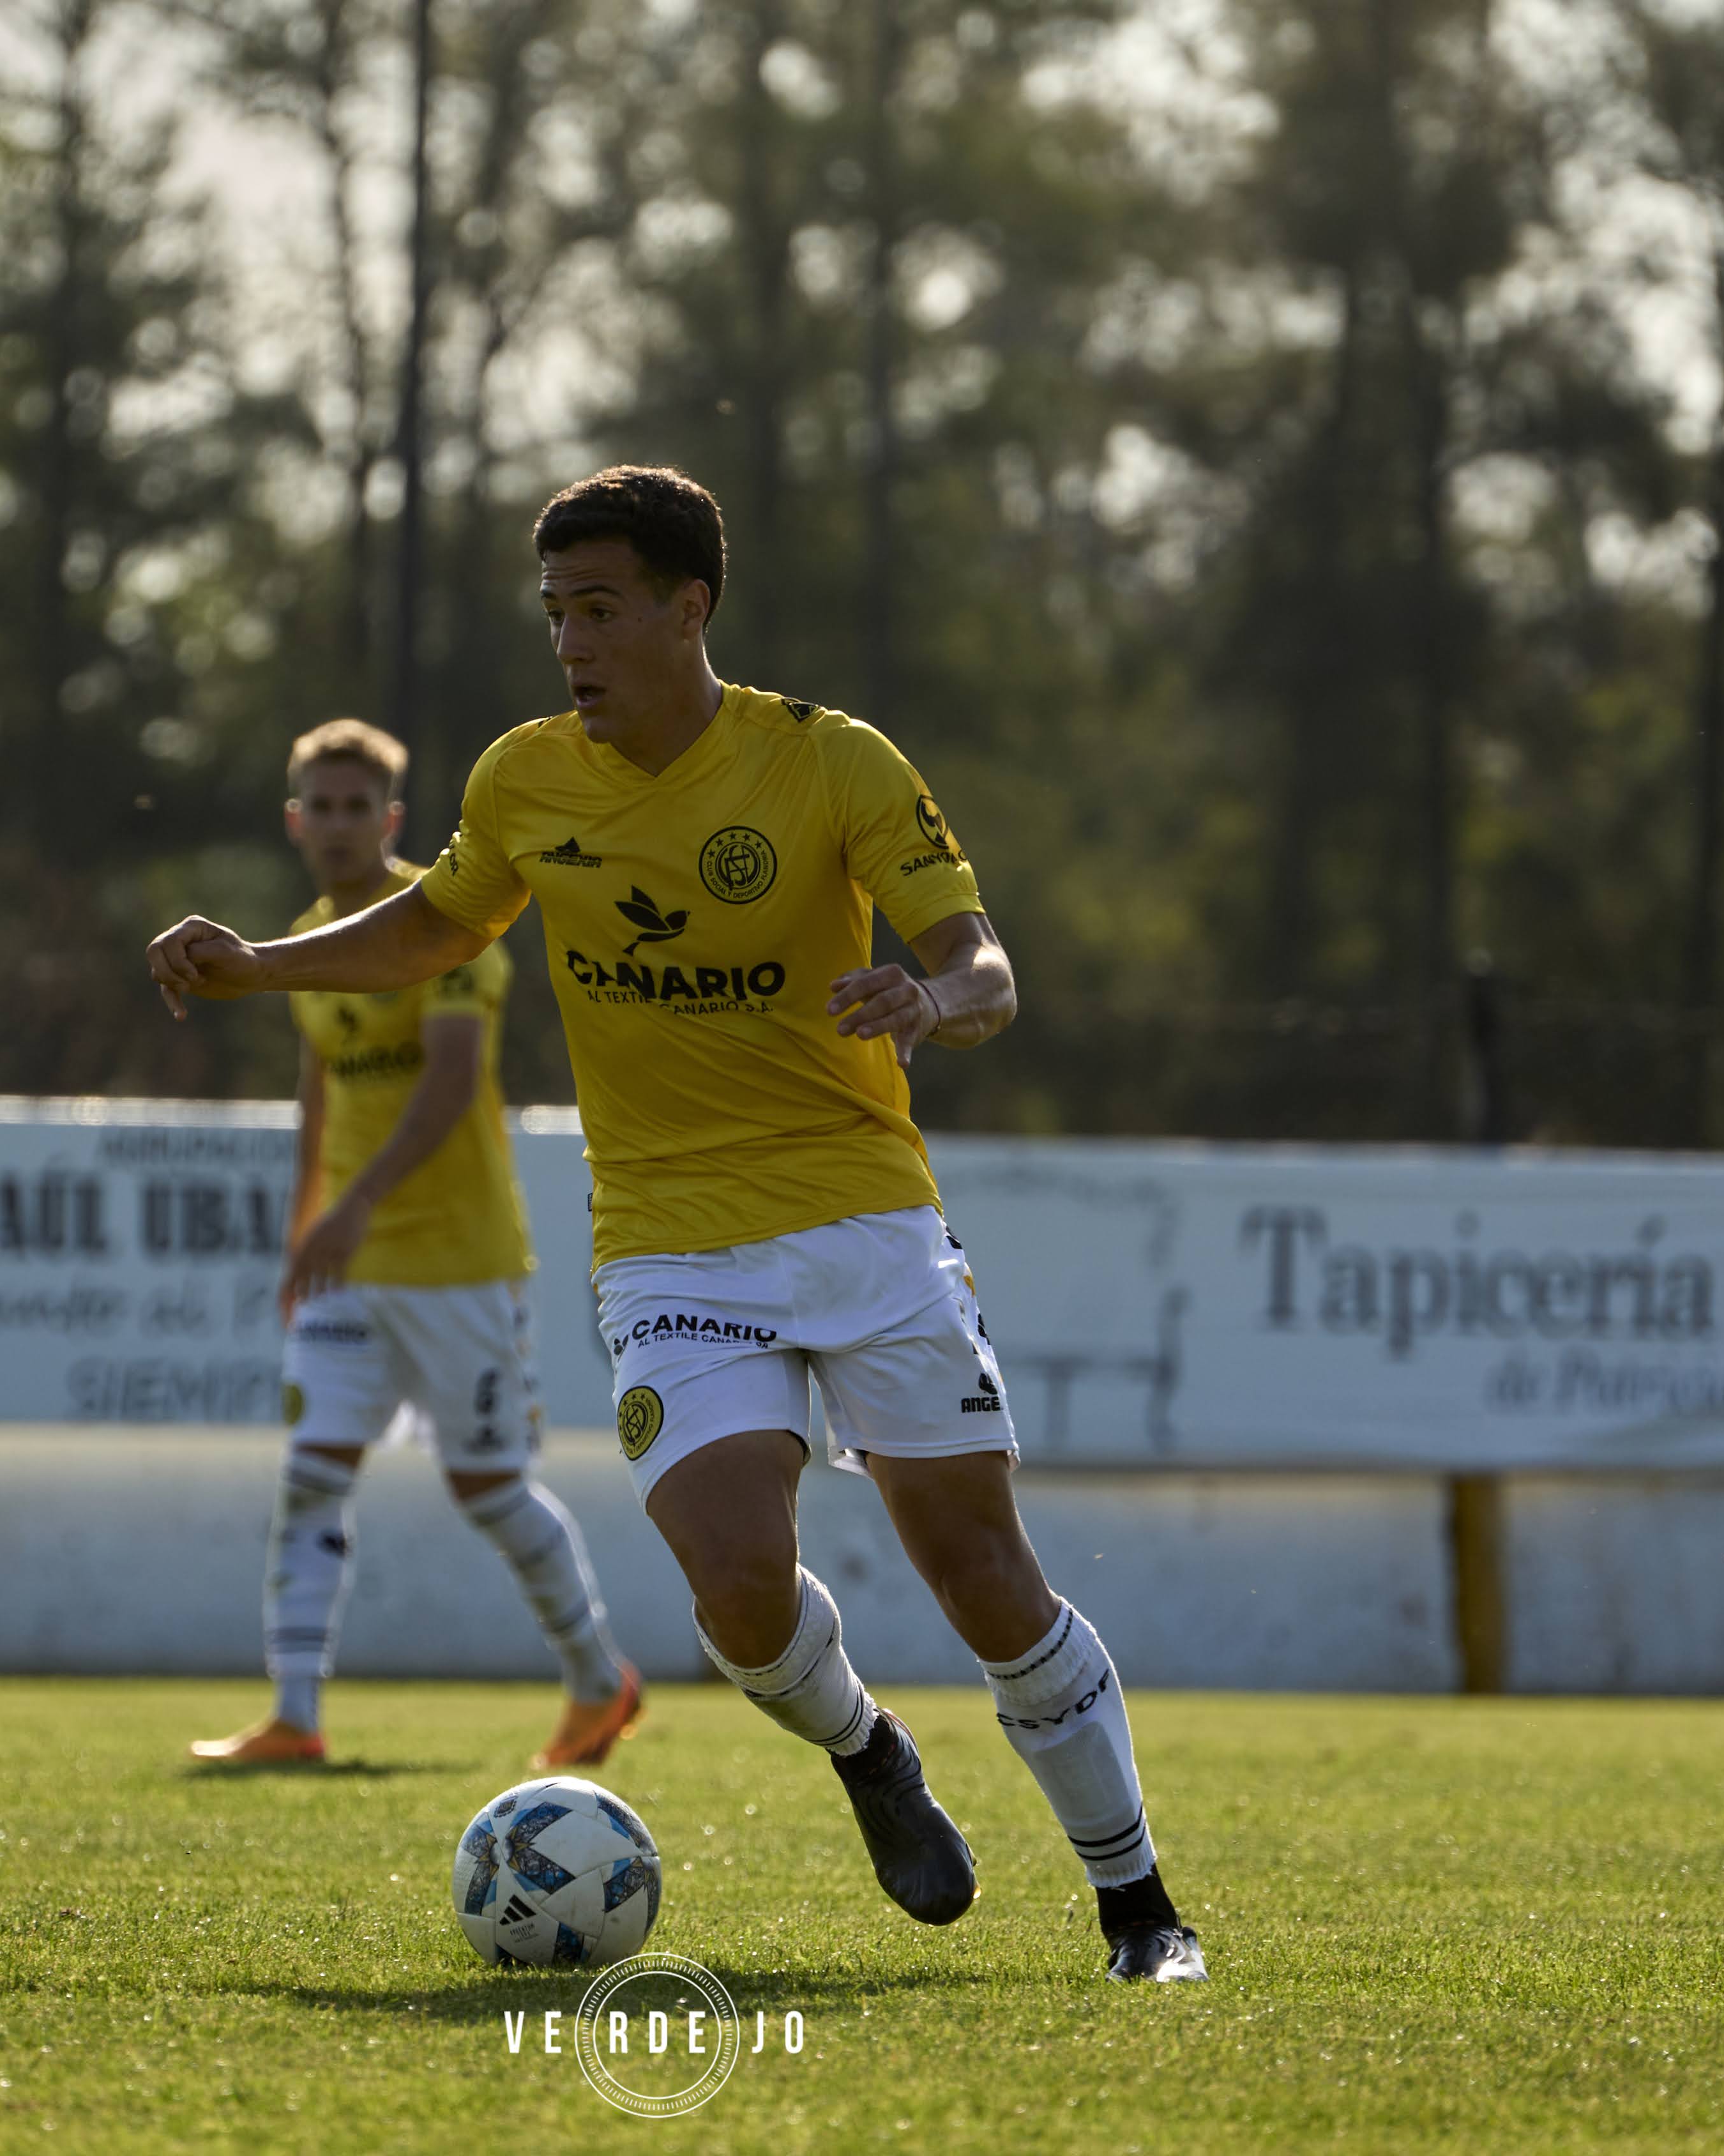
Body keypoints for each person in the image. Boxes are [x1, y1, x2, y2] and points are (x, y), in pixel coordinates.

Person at [150, 469, 1202, 1983]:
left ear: (685, 606)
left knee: (977, 1565)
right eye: (553, 613)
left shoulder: (827, 762)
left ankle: (1137, 1907)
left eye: (599, 608)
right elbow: (440, 922)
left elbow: (982, 959)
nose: (570, 642)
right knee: (732, 1572)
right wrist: (259, 962)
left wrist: (934, 997)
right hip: (667, 1241)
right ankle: (863, 1745)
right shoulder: (524, 781)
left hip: (862, 1217)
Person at [186, 717, 643, 1772]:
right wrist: (307, 1225)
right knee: (309, 1477)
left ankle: (595, 1678)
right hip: (349, 1272)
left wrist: (350, 1209)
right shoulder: (304, 939)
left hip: (459, 1263)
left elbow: (448, 1084)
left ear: (390, 820)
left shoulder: (442, 925)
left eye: (359, 807)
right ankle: (295, 1717)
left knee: (487, 1488)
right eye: (321, 807)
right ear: (295, 820)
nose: (339, 825)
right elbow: (318, 1095)